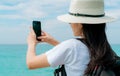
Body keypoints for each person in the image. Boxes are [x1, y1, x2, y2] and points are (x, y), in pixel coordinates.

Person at [26, 0, 116, 76]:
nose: (69, 23)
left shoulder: (71, 46)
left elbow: (31, 63)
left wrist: (31, 43)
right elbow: (75, 54)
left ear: (80, 24)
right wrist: (52, 41)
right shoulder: (105, 49)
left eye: (71, 20)